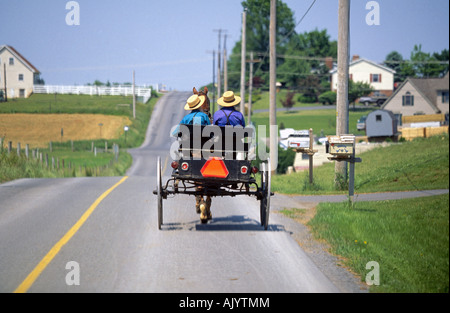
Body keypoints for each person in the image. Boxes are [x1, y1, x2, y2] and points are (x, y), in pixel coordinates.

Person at [175, 93, 212, 223]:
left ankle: (200, 201)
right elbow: (211, 131)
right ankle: (205, 202)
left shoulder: (186, 119)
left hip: (190, 151)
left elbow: (176, 132)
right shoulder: (204, 116)